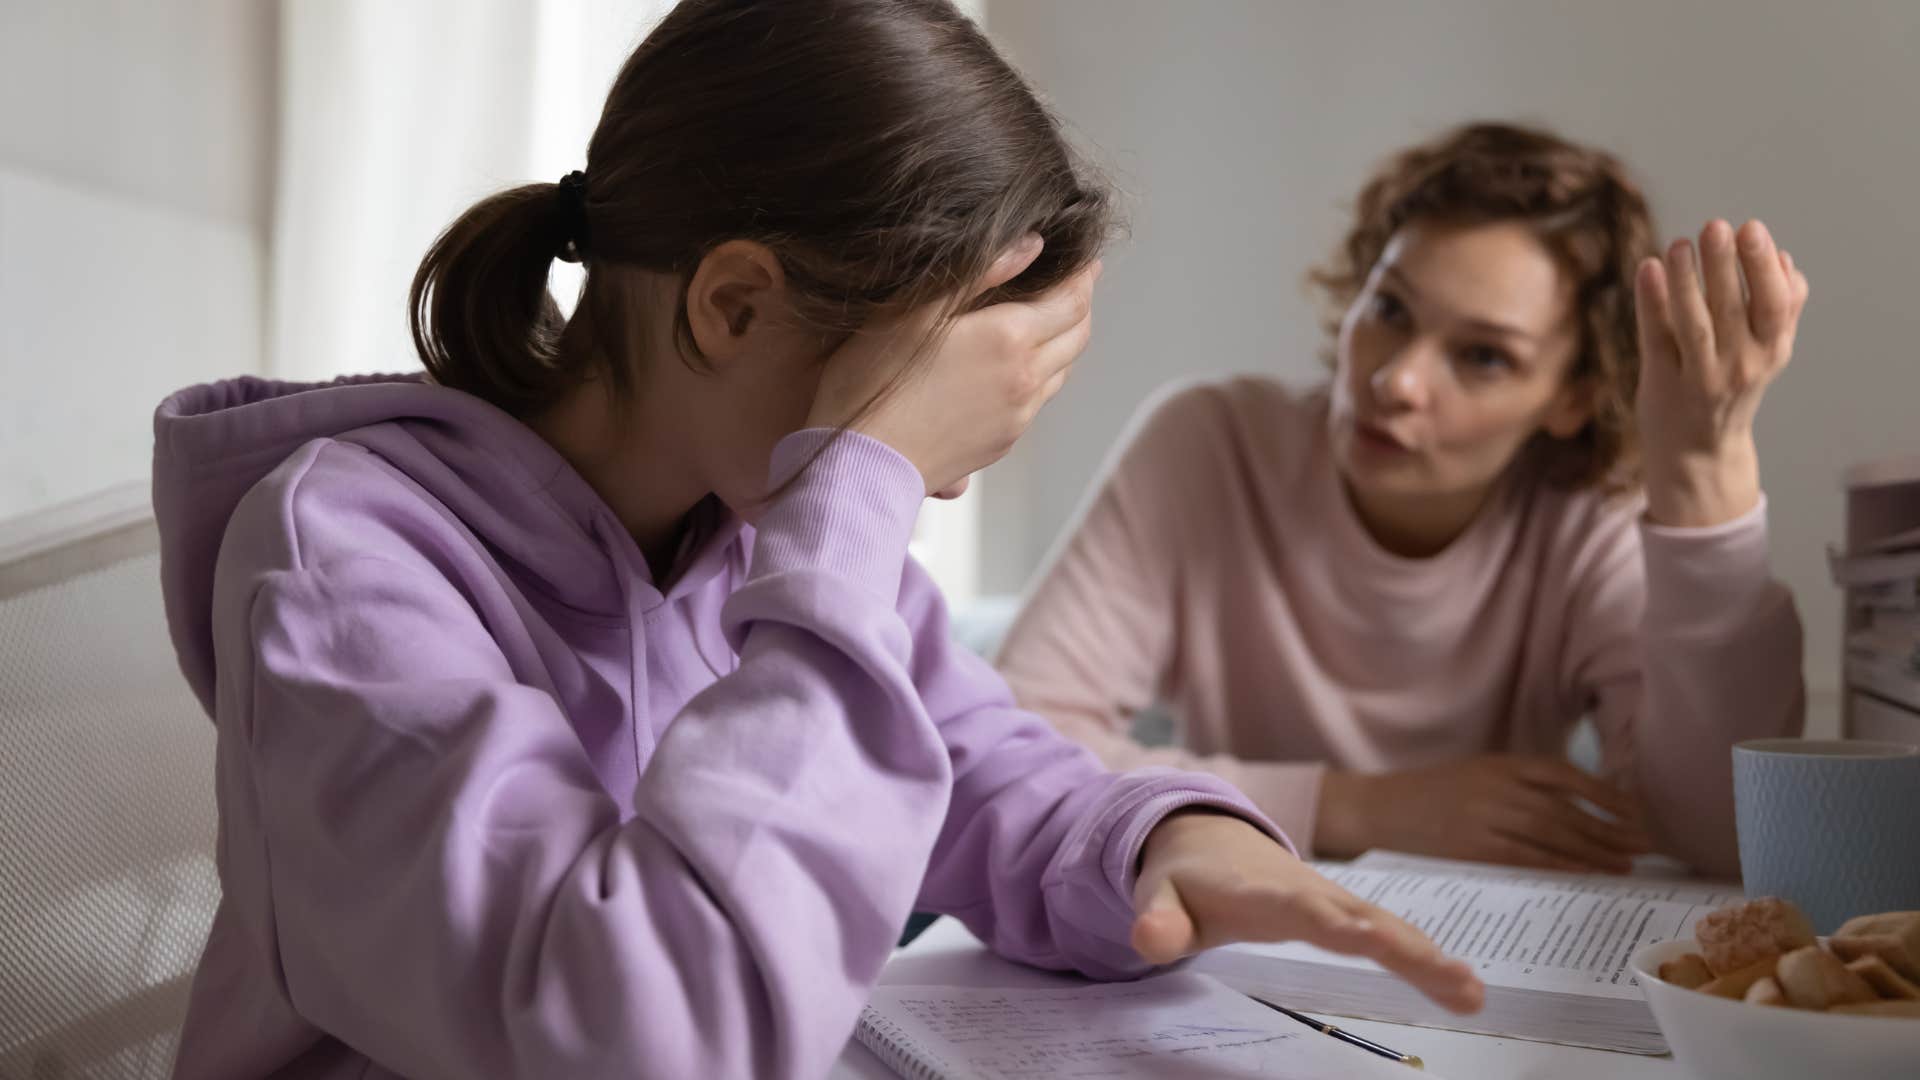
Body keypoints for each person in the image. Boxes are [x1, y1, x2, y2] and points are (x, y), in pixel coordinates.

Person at [151, 3, 1481, 1077]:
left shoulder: (747, 534)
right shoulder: (348, 565)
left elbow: (988, 767)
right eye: (908, 424)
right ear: (734, 307)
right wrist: (861, 489)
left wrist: (1170, 840)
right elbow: (650, 1038)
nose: (924, 500)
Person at [997, 121, 1808, 881]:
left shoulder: (1589, 518)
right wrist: (1361, 807)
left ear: (1573, 399)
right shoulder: (1211, 444)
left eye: (1484, 357)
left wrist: (1704, 475)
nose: (1397, 381)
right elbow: (1011, 746)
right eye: (1389, 309)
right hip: (1229, 934)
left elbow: (1722, 838)